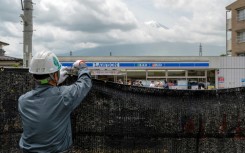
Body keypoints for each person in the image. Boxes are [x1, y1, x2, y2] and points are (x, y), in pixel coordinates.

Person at [18, 51, 92, 153]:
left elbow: (44, 95)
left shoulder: (23, 100)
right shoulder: (64, 96)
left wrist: (53, 82)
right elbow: (85, 83)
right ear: (55, 75)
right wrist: (82, 66)